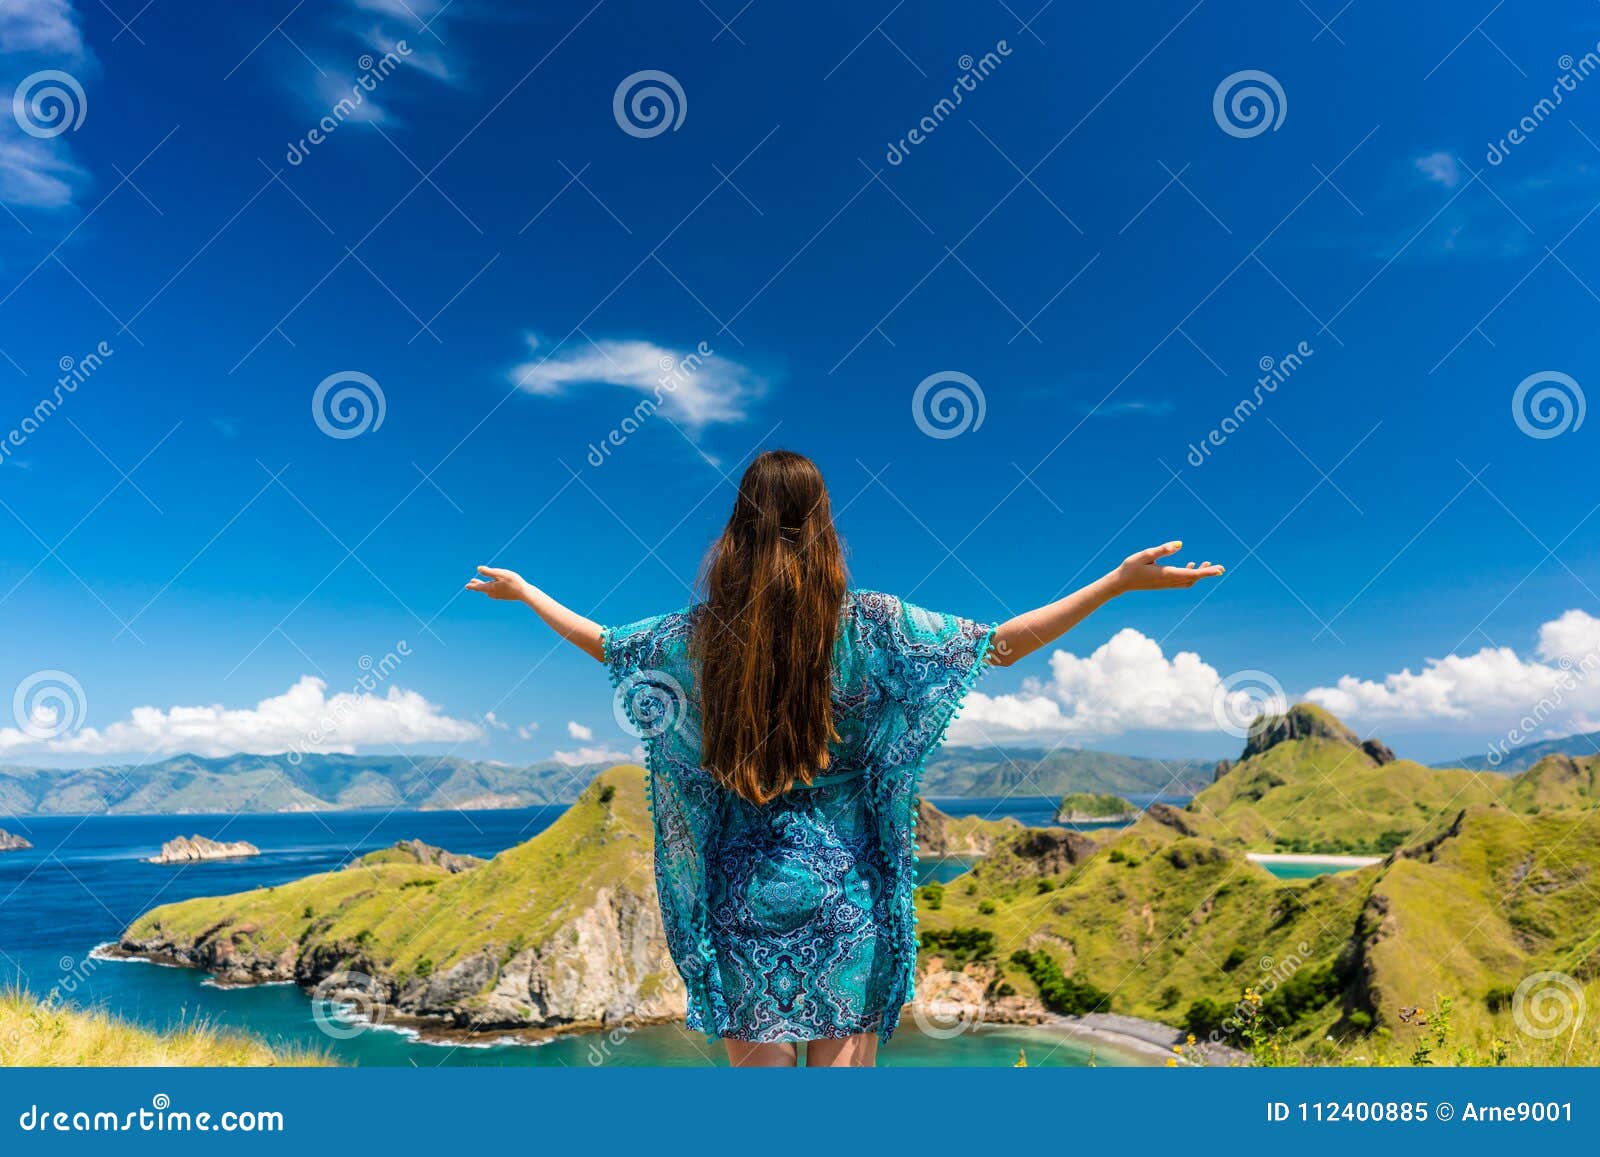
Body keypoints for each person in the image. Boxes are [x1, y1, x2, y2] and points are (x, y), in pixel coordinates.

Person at [466, 449, 1222, 1067]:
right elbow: (1001, 644)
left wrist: (530, 592)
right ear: (823, 523)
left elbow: (608, 643)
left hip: (741, 905)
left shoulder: (702, 638)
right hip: (846, 905)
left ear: (736, 528)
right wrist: (1118, 584)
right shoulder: (873, 626)